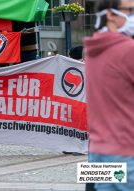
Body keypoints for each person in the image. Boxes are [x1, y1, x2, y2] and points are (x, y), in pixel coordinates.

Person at [84, 0, 134, 190]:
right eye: (129, 10)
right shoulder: (127, 49)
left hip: (97, 149)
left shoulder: (92, 49)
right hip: (127, 150)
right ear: (110, 14)